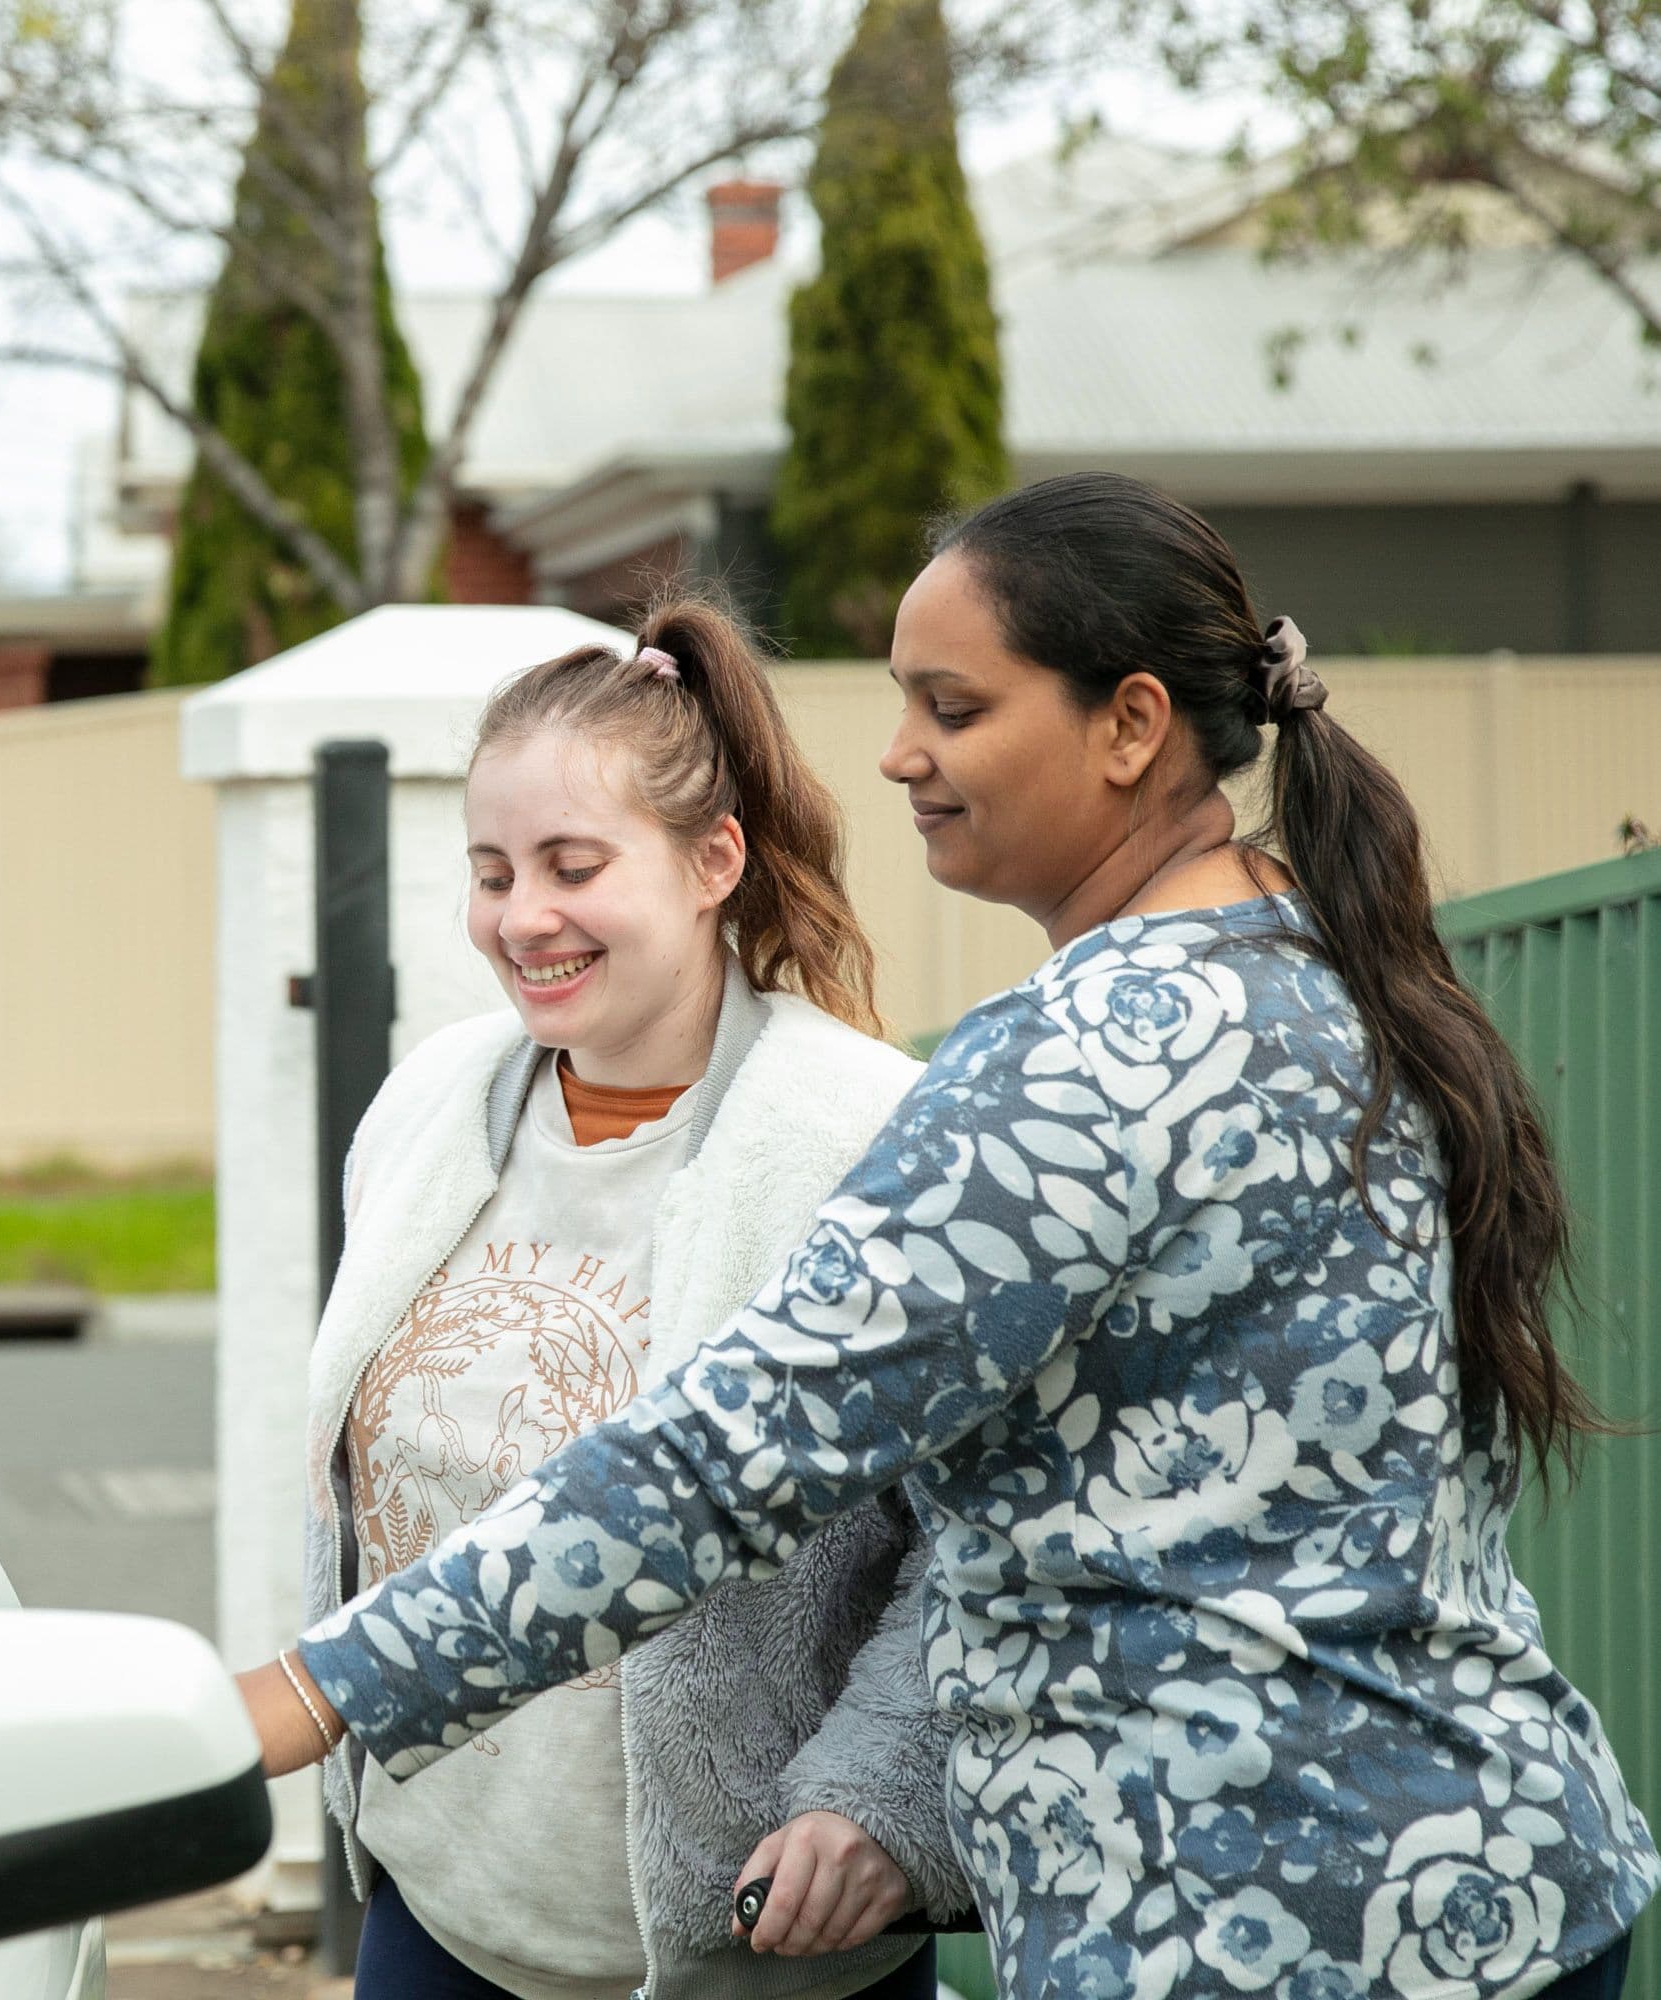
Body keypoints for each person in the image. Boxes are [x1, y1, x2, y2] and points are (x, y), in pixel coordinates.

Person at [242, 474, 1659, 2000]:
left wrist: (312, 1692)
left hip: (1272, 1923)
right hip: (1501, 1875)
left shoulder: (1079, 1060)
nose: (902, 751)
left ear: (1129, 727)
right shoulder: (1326, 968)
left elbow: (727, 1458)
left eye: (955, 707)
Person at [302, 597, 974, 2000]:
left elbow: (985, 1536)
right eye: (490, 871)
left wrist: (880, 1791)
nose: (520, 916)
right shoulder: (425, 1113)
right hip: (444, 1926)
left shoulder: (874, 1142)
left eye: (572, 863)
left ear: (712, 860)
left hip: (759, 1956)